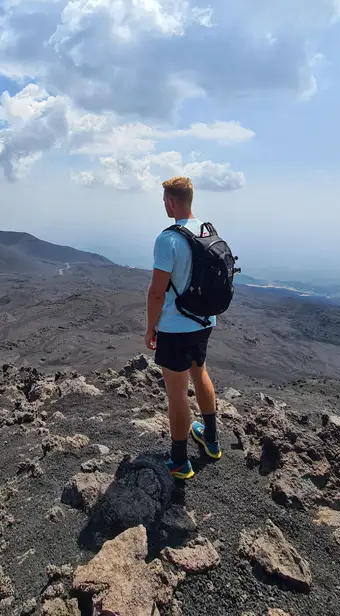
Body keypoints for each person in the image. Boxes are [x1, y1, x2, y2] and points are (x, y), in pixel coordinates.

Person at [145, 175, 221, 480]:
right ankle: (211, 440)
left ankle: (179, 461)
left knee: (176, 394)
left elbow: (156, 292)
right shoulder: (207, 230)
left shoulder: (168, 239)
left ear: (172, 202)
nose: (163, 205)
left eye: (164, 200)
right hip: (205, 321)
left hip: (176, 328)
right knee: (199, 372)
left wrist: (151, 328)